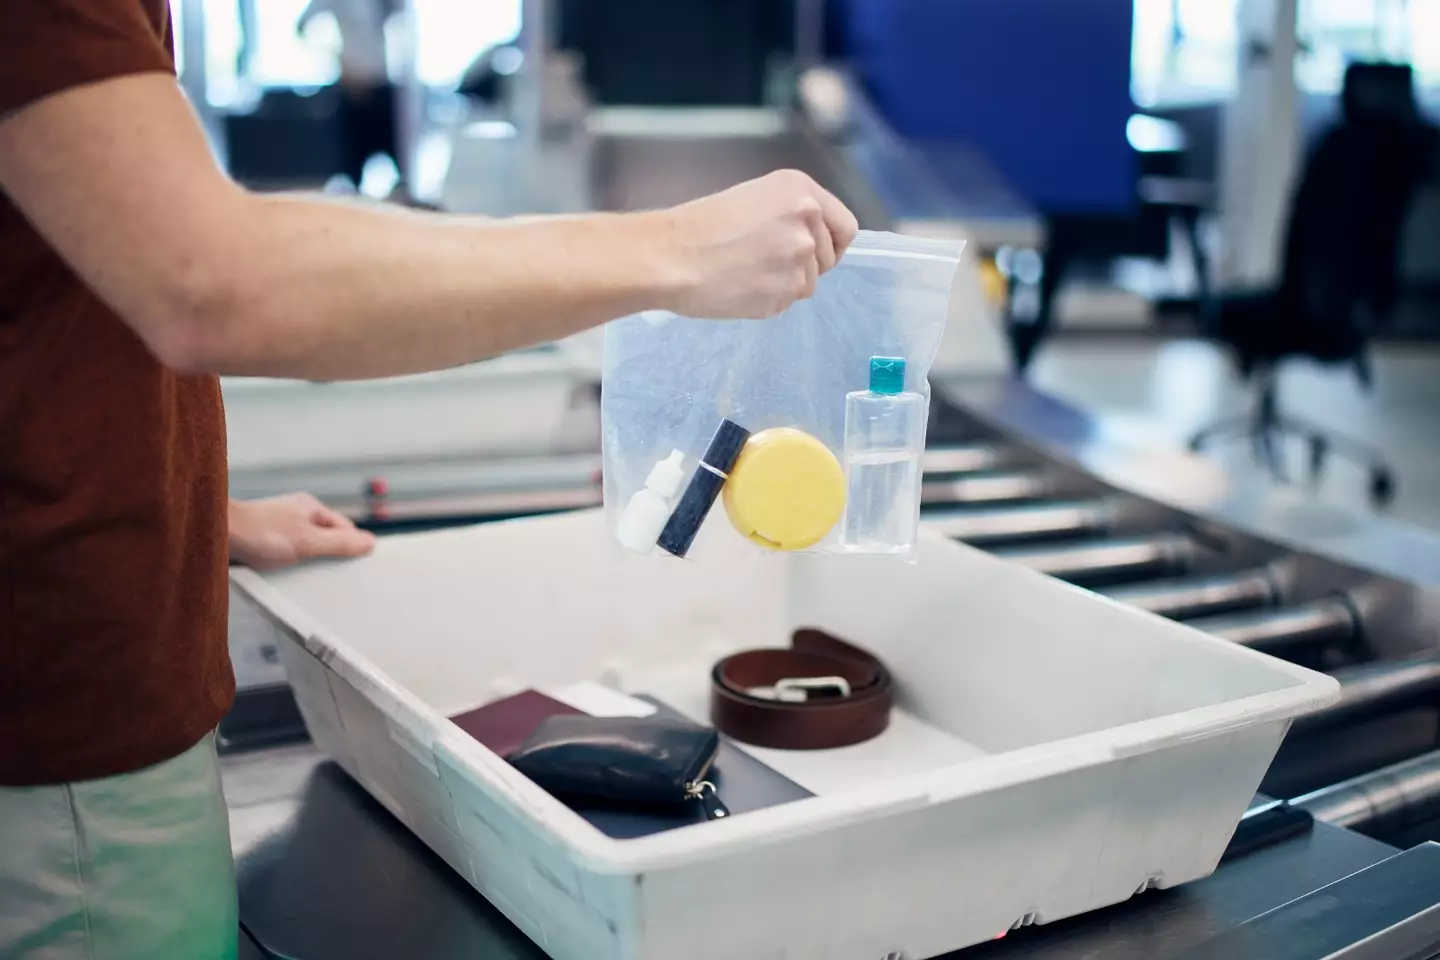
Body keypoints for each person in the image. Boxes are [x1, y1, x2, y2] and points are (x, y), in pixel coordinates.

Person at [0, 1, 859, 957]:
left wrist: (189, 501)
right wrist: (672, 251)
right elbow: (206, 278)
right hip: (58, 757)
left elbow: (53, 289)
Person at [296, 0, 403, 192]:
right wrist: (337, 58)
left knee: (402, 174)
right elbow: (303, 26)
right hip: (353, 89)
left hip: (386, 88)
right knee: (351, 175)